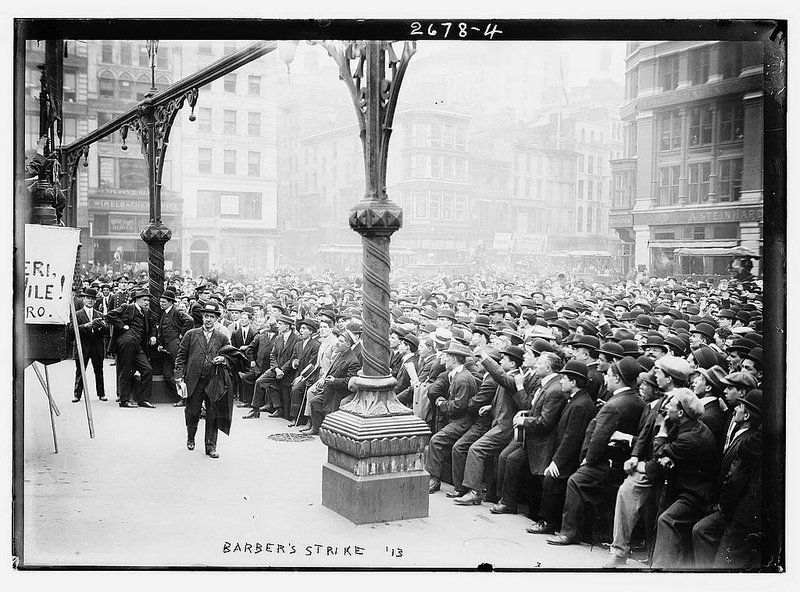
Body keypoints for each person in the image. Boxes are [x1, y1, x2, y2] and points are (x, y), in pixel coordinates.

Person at [546, 357, 646, 546]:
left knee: (576, 481)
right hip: (619, 461)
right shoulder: (636, 401)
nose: (605, 380)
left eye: (608, 376)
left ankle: (569, 532)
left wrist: (588, 460)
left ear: (617, 378)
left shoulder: (614, 404)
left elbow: (599, 438)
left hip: (604, 463)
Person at [692, 389, 762, 569]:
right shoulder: (743, 436)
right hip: (734, 507)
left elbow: (734, 479)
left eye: (739, 406)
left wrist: (722, 506)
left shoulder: (746, 441)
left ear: (746, 414)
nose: (735, 410)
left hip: (732, 508)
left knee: (701, 531)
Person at [491, 351, 566, 517]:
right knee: (510, 458)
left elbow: (546, 421)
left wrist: (524, 421)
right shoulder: (545, 383)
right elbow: (533, 406)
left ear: (548, 368)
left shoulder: (553, 389)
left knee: (532, 475)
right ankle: (507, 503)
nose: (535, 366)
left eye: (539, 363)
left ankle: (527, 511)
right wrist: (525, 412)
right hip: (532, 439)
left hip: (543, 442)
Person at [650, 389, 720, 568]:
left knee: (666, 520)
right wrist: (665, 455)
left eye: (670, 405)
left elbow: (658, 452)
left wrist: (663, 431)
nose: (665, 407)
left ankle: (661, 570)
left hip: (698, 495)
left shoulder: (690, 438)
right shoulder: (690, 426)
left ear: (681, 412)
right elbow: (663, 455)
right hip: (688, 487)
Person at [526, 360, 596, 536]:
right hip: (565, 454)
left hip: (569, 458)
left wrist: (556, 462)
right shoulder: (576, 400)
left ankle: (549, 522)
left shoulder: (580, 404)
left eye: (564, 378)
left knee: (552, 480)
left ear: (573, 382)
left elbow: (571, 438)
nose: (561, 381)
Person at [174, 301, 233, 458]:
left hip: (213, 381)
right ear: (202, 317)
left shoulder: (221, 337)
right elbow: (181, 357)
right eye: (206, 316)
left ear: (216, 319)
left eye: (211, 317)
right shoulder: (191, 334)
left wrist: (223, 359)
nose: (208, 320)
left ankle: (211, 446)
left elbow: (230, 356)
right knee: (192, 412)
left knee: (213, 414)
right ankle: (191, 436)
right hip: (194, 381)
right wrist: (179, 377)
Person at [426, 343, 478, 494]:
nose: (444, 360)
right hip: (459, 421)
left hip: (462, 422)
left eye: (447, 357)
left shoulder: (462, 378)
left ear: (454, 359)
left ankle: (434, 480)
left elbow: (458, 406)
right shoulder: (459, 376)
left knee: (436, 441)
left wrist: (442, 403)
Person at [105, 288, 155, 408]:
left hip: (137, 345)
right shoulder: (127, 307)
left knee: (147, 369)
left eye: (148, 300)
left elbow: (152, 324)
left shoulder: (146, 312)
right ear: (137, 300)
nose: (147, 302)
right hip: (126, 343)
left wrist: (153, 335)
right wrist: (123, 326)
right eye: (144, 300)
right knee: (126, 370)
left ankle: (143, 399)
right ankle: (124, 400)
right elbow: (110, 315)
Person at [307, 332, 360, 435]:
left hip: (338, 393)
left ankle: (330, 434)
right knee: (314, 402)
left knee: (330, 412)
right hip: (329, 391)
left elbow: (350, 381)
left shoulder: (353, 361)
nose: (337, 343)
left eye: (341, 341)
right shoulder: (340, 355)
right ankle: (316, 428)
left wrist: (334, 381)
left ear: (348, 345)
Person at [155, 288, 195, 407]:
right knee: (168, 374)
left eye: (164, 302)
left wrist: (182, 334)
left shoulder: (176, 311)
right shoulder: (166, 313)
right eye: (161, 301)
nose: (161, 303)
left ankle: (184, 398)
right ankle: (182, 395)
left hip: (175, 346)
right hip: (167, 347)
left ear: (171, 302)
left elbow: (190, 320)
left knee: (179, 372)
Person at [69, 287, 108, 402]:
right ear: (83, 300)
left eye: (92, 299)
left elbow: (106, 332)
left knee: (99, 371)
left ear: (95, 301)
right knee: (80, 371)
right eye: (87, 298)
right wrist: (86, 326)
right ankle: (77, 394)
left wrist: (101, 326)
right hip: (83, 346)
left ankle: (101, 394)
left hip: (96, 346)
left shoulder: (99, 314)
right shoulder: (76, 314)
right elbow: (71, 330)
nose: (90, 301)